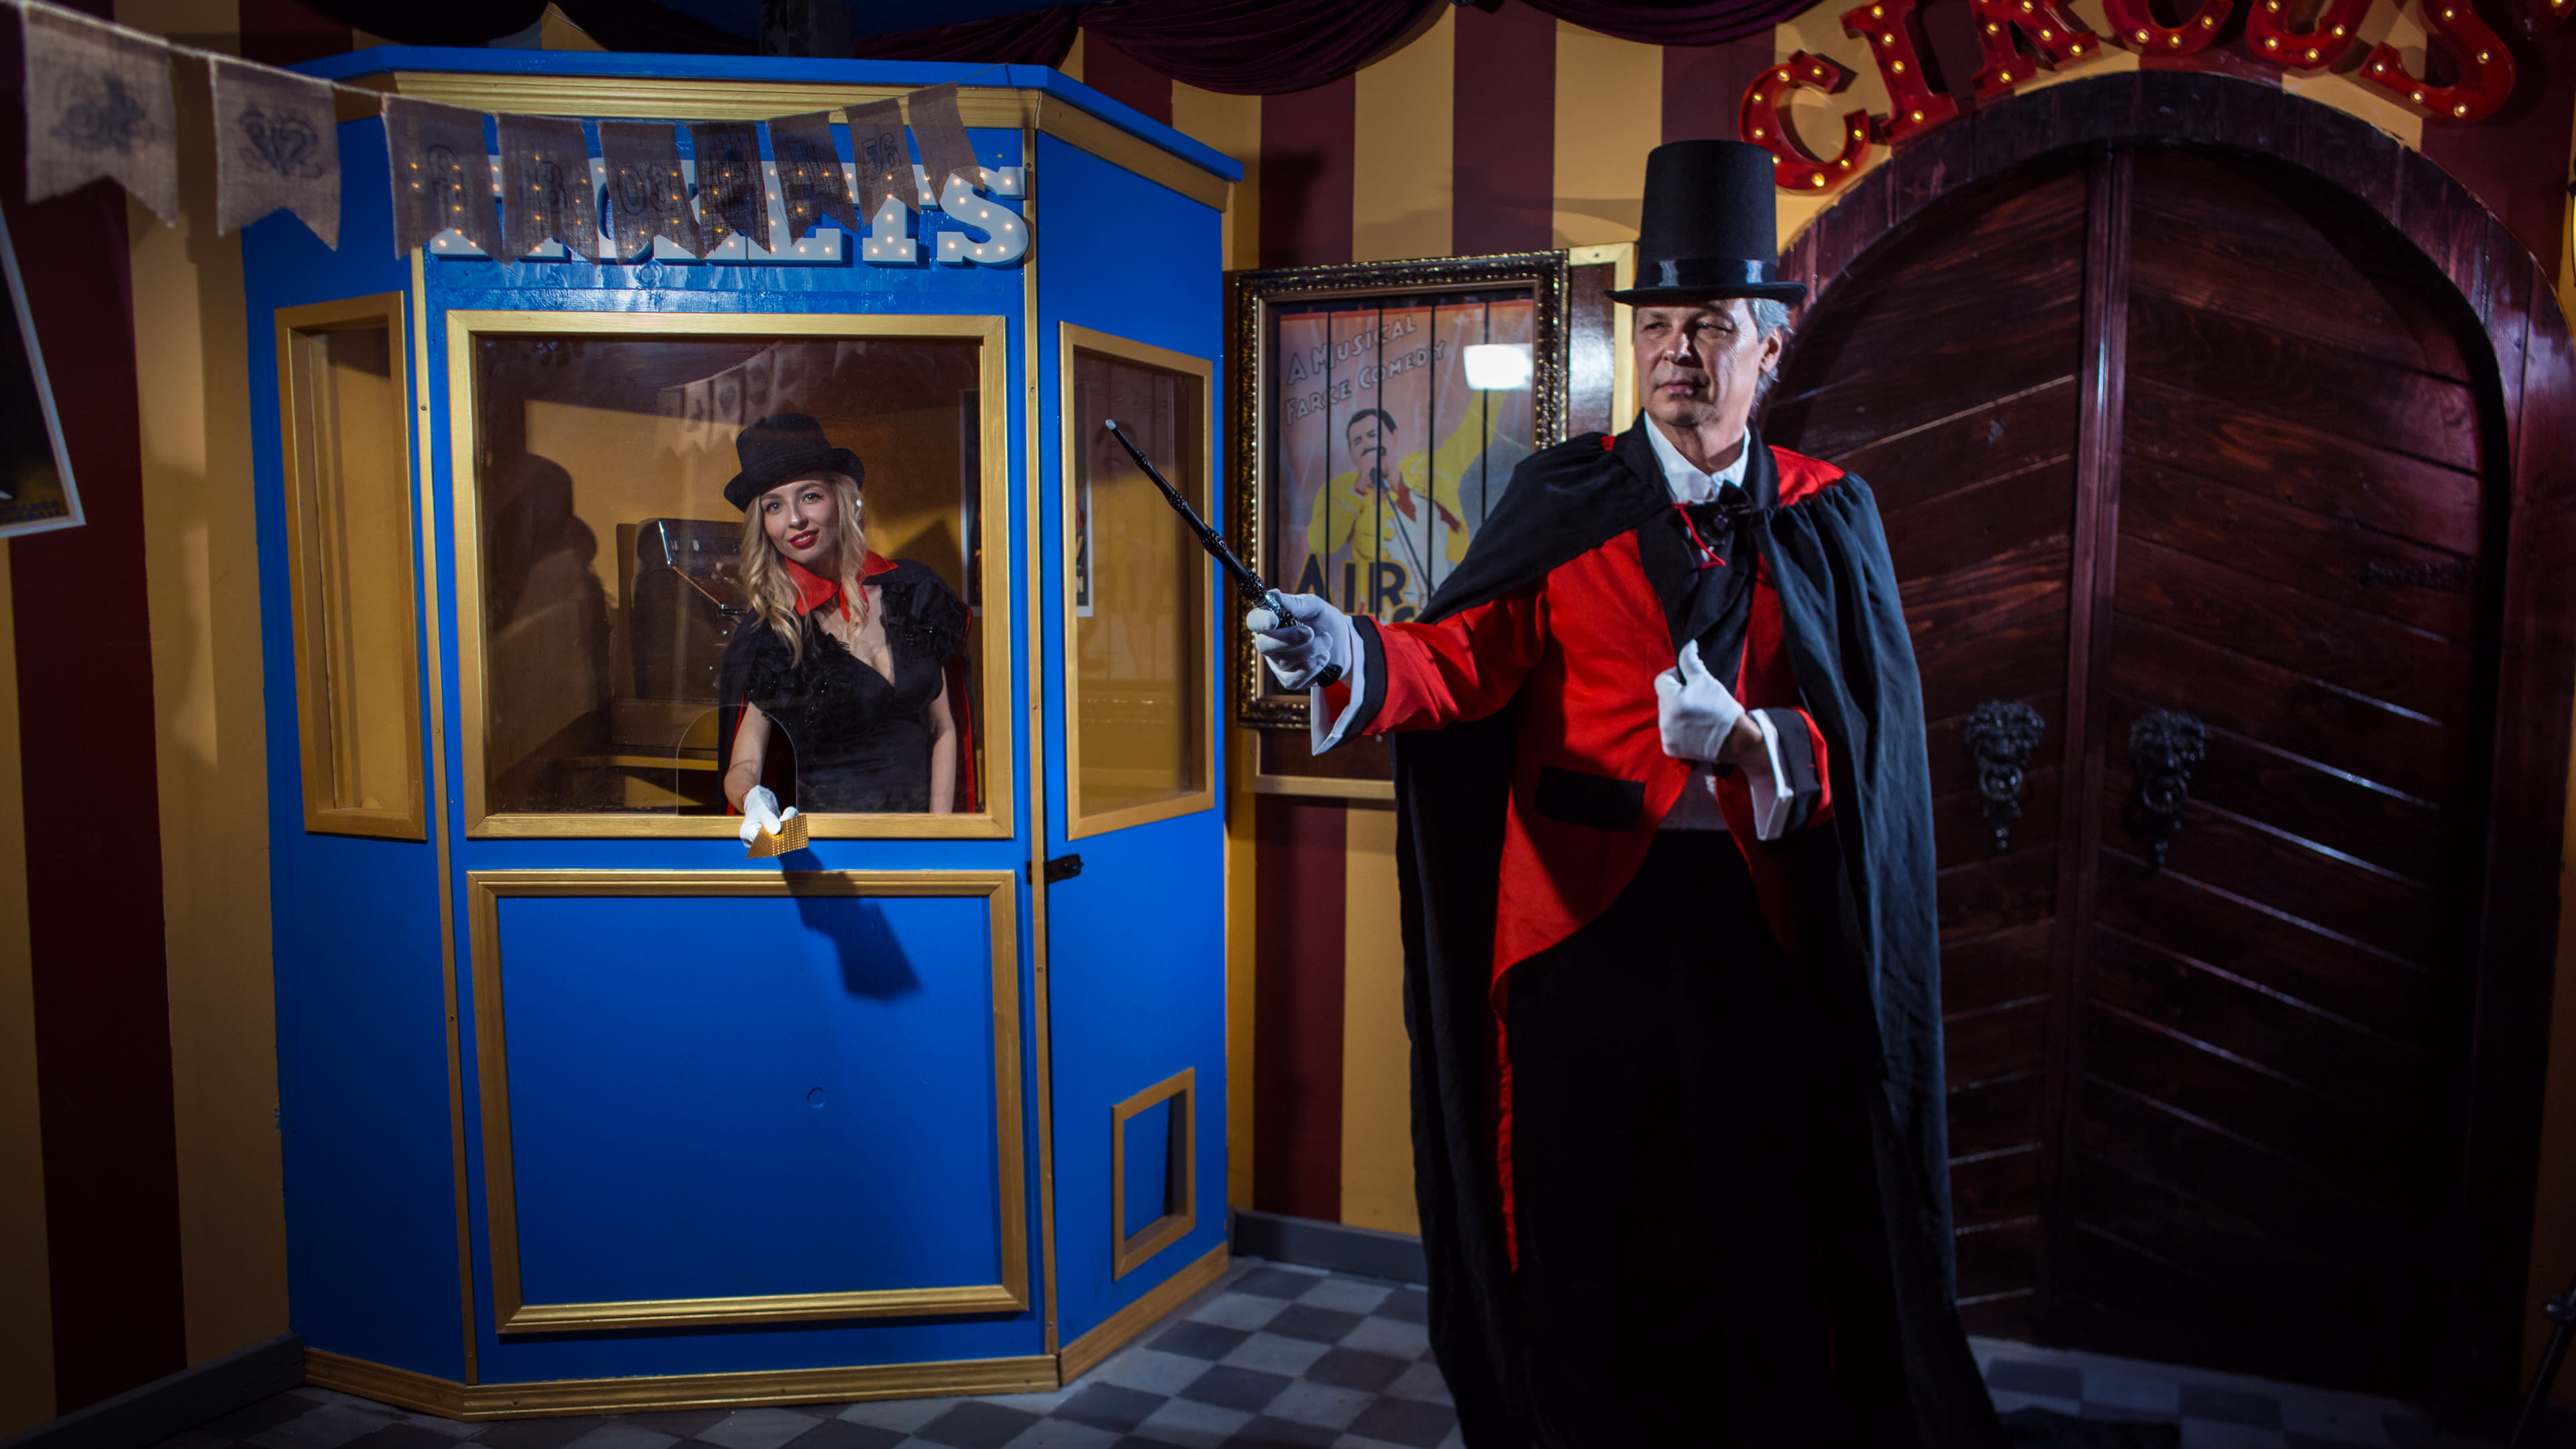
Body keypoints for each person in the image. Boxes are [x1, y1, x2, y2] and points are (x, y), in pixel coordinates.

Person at [1247, 141, 2002, 1446]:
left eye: (1710, 325)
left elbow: (1867, 749)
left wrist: (1759, 740)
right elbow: (1465, 663)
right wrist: (1351, 650)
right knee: (1575, 1222)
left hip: (1757, 930)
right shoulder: (1562, 496)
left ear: (1771, 345)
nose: (1678, 353)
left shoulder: (1830, 516)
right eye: (1659, 325)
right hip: (1576, 929)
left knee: (1762, 1216)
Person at [716, 414, 966, 832]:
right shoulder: (773, 633)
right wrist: (753, 799)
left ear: (841, 497)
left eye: (809, 496)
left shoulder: (914, 591)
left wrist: (936, 834)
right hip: (822, 845)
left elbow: (942, 728)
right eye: (774, 506)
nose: (794, 518)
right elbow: (743, 764)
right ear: (763, 525)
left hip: (916, 840)